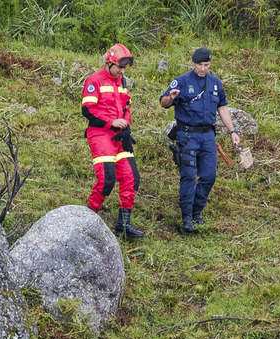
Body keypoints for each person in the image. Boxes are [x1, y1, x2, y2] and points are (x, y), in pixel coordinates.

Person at [160, 47, 241, 233]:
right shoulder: (182, 81)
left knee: (209, 176)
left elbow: (222, 108)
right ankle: (186, 216)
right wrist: (170, 98)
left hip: (207, 136)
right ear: (193, 63)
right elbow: (163, 102)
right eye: (199, 65)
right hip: (187, 135)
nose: (202, 68)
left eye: (206, 65)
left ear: (210, 63)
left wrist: (232, 131)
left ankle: (197, 211)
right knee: (188, 175)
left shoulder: (215, 83)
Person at [81, 43, 143, 239]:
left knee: (132, 178)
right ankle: (88, 218)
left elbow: (127, 107)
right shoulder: (94, 81)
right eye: (120, 67)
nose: (123, 71)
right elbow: (87, 110)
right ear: (109, 63)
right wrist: (111, 122)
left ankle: (123, 224)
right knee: (106, 180)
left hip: (120, 135)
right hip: (100, 134)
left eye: (124, 68)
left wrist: (126, 128)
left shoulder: (122, 82)